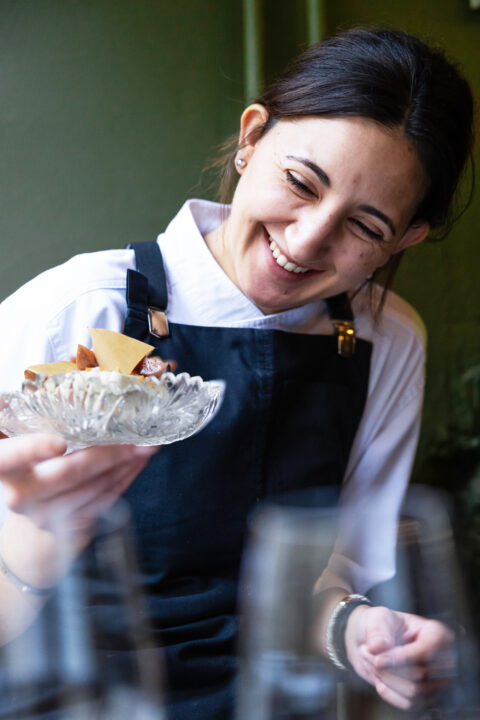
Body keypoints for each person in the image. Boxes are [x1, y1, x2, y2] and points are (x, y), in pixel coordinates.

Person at [0, 25, 475, 720]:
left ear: (405, 238)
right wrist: (32, 540)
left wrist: (362, 633)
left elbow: (327, 577)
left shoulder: (385, 338)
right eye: (300, 182)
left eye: (366, 227)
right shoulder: (76, 307)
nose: (308, 239)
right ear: (252, 137)